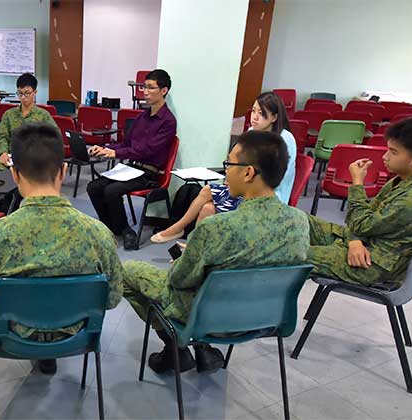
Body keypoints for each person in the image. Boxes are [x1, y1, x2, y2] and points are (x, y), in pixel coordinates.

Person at [122, 130, 309, 374]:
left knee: (128, 271)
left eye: (229, 164)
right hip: (268, 318)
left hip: (210, 319)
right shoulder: (300, 222)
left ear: (248, 173)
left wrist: (182, 263)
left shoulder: (216, 227)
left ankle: (176, 347)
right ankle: (201, 350)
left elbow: (178, 281)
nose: (225, 172)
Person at [0, 123, 124, 374]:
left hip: (11, 337)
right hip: (76, 335)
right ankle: (51, 352)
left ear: (14, 174)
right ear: (64, 171)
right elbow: (112, 299)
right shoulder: (99, 235)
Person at [308, 115, 412, 287]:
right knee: (296, 219)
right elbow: (363, 220)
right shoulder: (406, 178)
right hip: (362, 244)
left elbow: (360, 224)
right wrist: (354, 241)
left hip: (370, 263)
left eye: (393, 152)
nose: (385, 157)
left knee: (290, 252)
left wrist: (357, 183)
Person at [151, 91, 297, 243]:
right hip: (245, 188)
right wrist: (232, 177)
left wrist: (238, 180)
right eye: (253, 111)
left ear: (274, 117)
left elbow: (276, 178)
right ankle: (189, 242)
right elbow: (240, 163)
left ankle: (183, 235)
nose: (254, 117)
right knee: (207, 205)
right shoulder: (252, 133)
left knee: (208, 197)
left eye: (261, 113)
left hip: (265, 197)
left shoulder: (285, 140)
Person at [86, 69, 177, 250]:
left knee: (112, 191)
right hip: (132, 168)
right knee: (93, 187)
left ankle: (126, 230)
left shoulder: (168, 121)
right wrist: (106, 149)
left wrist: (116, 154)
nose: (145, 92)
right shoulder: (141, 117)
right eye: (144, 87)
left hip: (150, 173)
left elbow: (148, 150)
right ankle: (111, 227)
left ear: (164, 90)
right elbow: (126, 144)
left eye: (150, 87)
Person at [0, 73, 56, 189]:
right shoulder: (9, 115)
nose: (23, 97)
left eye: (27, 93)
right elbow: (2, 137)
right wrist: (3, 153)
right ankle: (14, 189)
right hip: (11, 158)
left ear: (35, 92)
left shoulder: (43, 116)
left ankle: (17, 190)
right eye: (20, 93)